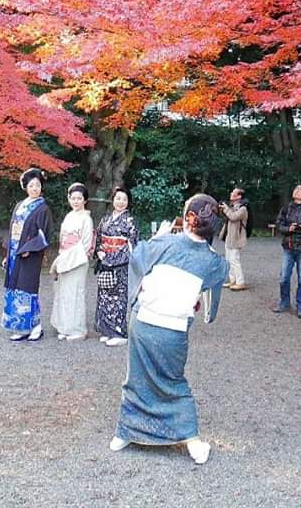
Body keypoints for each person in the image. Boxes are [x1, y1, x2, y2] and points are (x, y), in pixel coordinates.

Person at [109, 194, 228, 465]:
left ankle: (125, 433)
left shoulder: (164, 243)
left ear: (187, 220)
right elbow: (219, 275)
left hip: (144, 321)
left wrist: (157, 238)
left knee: (136, 378)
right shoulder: (213, 262)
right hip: (173, 330)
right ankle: (192, 442)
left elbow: (138, 258)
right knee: (173, 383)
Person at [1, 168, 52, 342]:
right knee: (14, 288)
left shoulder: (43, 208)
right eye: (31, 185)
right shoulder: (19, 205)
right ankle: (26, 326)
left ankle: (31, 327)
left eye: (38, 185)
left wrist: (30, 248)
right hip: (15, 251)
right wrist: (8, 254)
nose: (35, 188)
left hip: (30, 254)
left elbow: (44, 234)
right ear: (26, 187)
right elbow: (12, 230)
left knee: (27, 289)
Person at [94, 186, 139, 347]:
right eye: (118, 198)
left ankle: (119, 332)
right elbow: (98, 238)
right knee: (104, 296)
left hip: (120, 265)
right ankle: (107, 330)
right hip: (104, 259)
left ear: (128, 202)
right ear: (113, 200)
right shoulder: (105, 219)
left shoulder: (130, 221)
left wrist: (112, 258)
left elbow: (132, 244)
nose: (120, 202)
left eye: (124, 199)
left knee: (117, 297)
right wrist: (99, 252)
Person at [50, 182, 93, 341]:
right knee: (63, 293)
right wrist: (62, 256)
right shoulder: (69, 216)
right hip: (65, 256)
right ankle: (64, 326)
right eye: (73, 198)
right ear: (69, 199)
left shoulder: (86, 219)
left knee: (75, 293)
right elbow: (62, 238)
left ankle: (78, 329)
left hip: (77, 259)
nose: (76, 201)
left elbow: (86, 243)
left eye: (79, 198)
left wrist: (68, 257)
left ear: (85, 200)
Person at [272, 183, 301, 318]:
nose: (298, 191)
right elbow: (279, 224)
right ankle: (284, 303)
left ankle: (300, 307)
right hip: (288, 246)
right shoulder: (286, 208)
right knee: (283, 278)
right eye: (296, 189)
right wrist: (288, 229)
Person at [219, 187, 250, 291]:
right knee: (228, 260)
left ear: (239, 196)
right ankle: (232, 280)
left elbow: (233, 217)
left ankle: (240, 282)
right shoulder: (232, 206)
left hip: (237, 238)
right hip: (229, 237)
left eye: (234, 192)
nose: (231, 193)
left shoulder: (243, 209)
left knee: (235, 260)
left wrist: (226, 209)